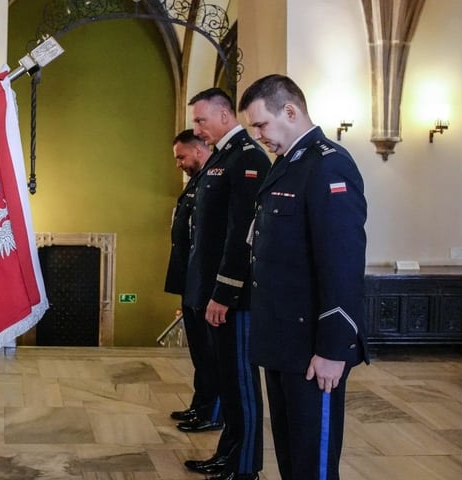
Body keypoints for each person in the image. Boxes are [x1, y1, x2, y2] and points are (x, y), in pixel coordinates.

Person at [238, 74, 369, 480]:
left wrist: (333, 349)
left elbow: (342, 264)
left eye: (261, 124)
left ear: (290, 111)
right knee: (292, 458)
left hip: (314, 349)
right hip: (282, 341)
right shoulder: (288, 166)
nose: (258, 135)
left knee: (313, 463)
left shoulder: (329, 165)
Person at [182, 87, 269, 480]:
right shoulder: (222, 157)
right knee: (226, 379)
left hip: (231, 296)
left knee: (239, 382)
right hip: (209, 288)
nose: (196, 128)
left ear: (224, 115)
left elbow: (241, 234)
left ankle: (244, 463)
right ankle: (229, 454)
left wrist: (224, 291)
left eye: (201, 120)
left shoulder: (248, 158)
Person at [164, 130, 223, 433]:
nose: (178, 164)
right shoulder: (197, 184)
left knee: (210, 353)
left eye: (181, 157)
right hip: (190, 279)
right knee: (199, 351)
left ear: (199, 152)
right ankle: (200, 405)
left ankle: (212, 411)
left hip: (205, 281)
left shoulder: (211, 183)